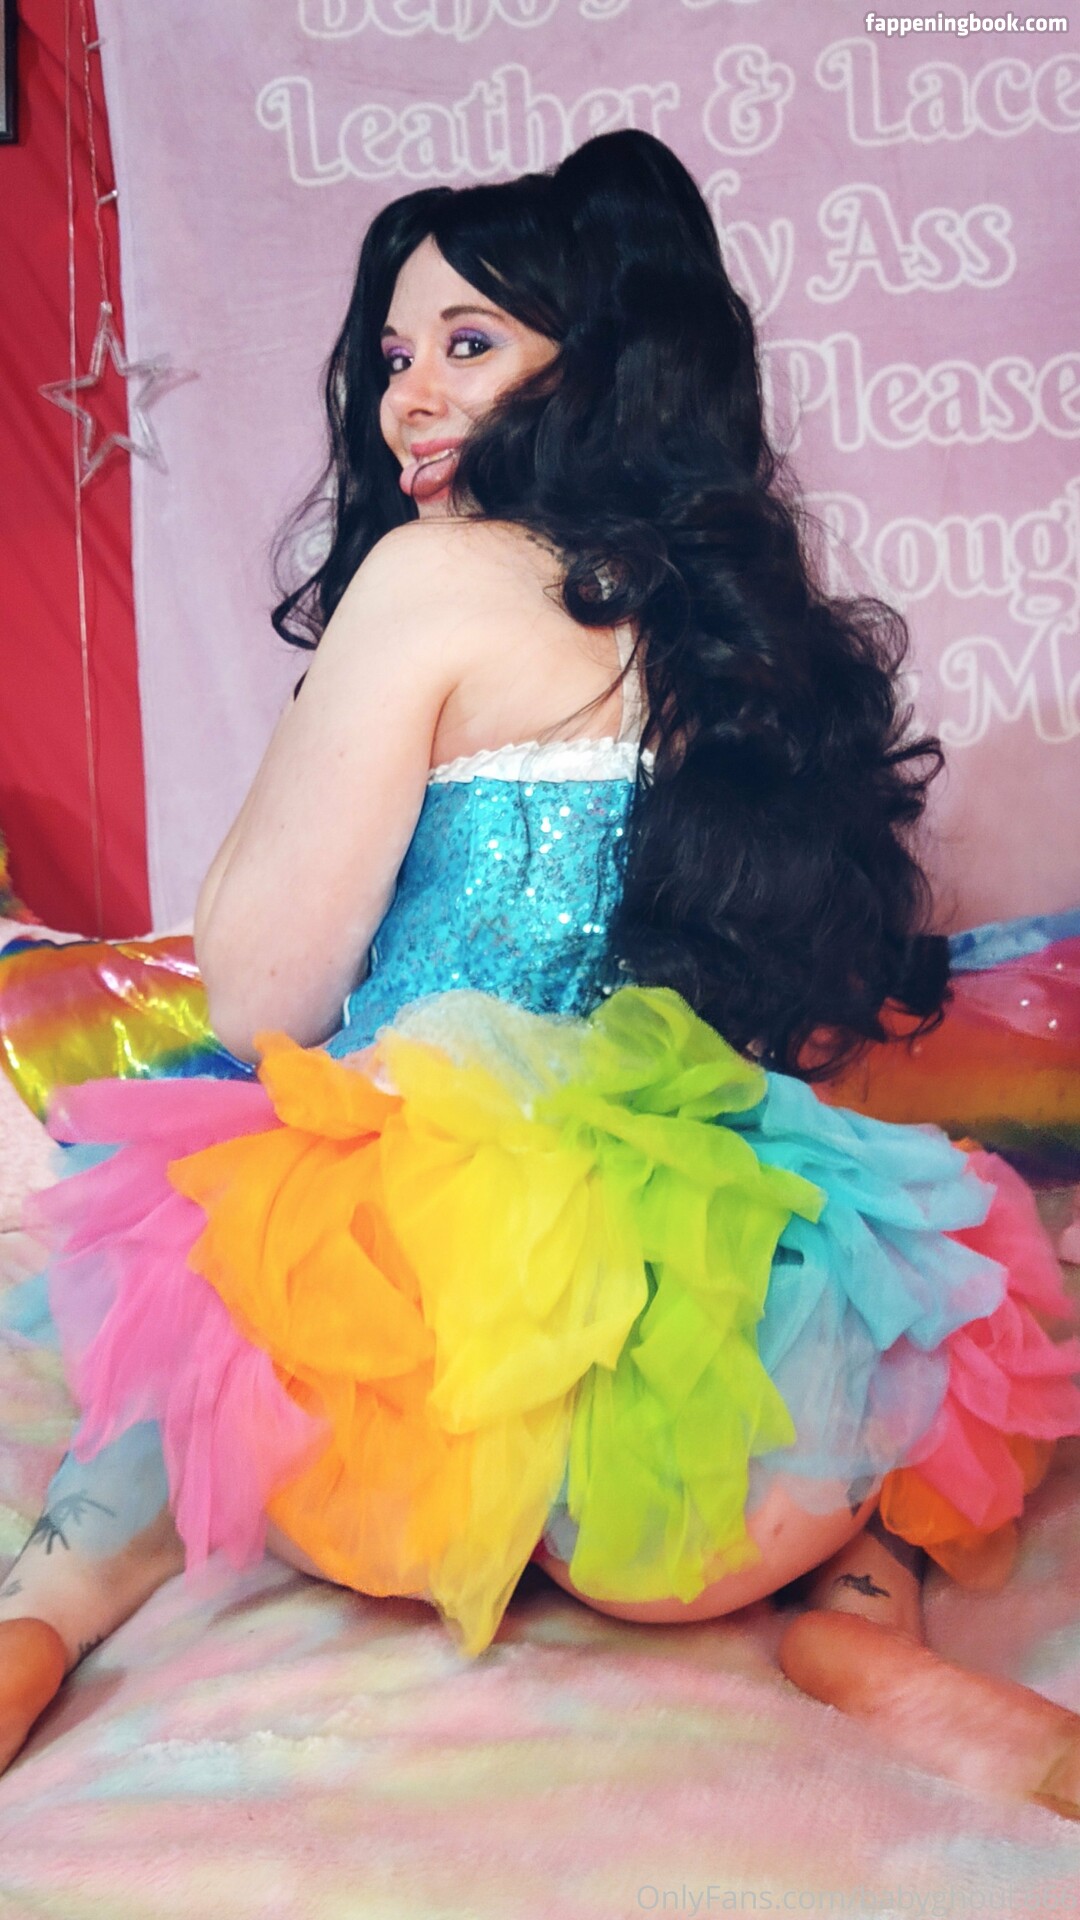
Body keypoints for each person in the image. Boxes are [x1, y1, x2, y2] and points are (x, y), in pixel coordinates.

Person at [2, 131, 1079, 1817]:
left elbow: (262, 999)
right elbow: (796, 1023)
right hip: (715, 1406)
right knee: (891, 1342)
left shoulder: (432, 576)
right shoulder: (749, 632)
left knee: (205, 1291)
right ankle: (859, 1611)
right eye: (393, 354)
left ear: (601, 364)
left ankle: (40, 1617)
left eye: (470, 342)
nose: (410, 399)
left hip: (424, 1380)